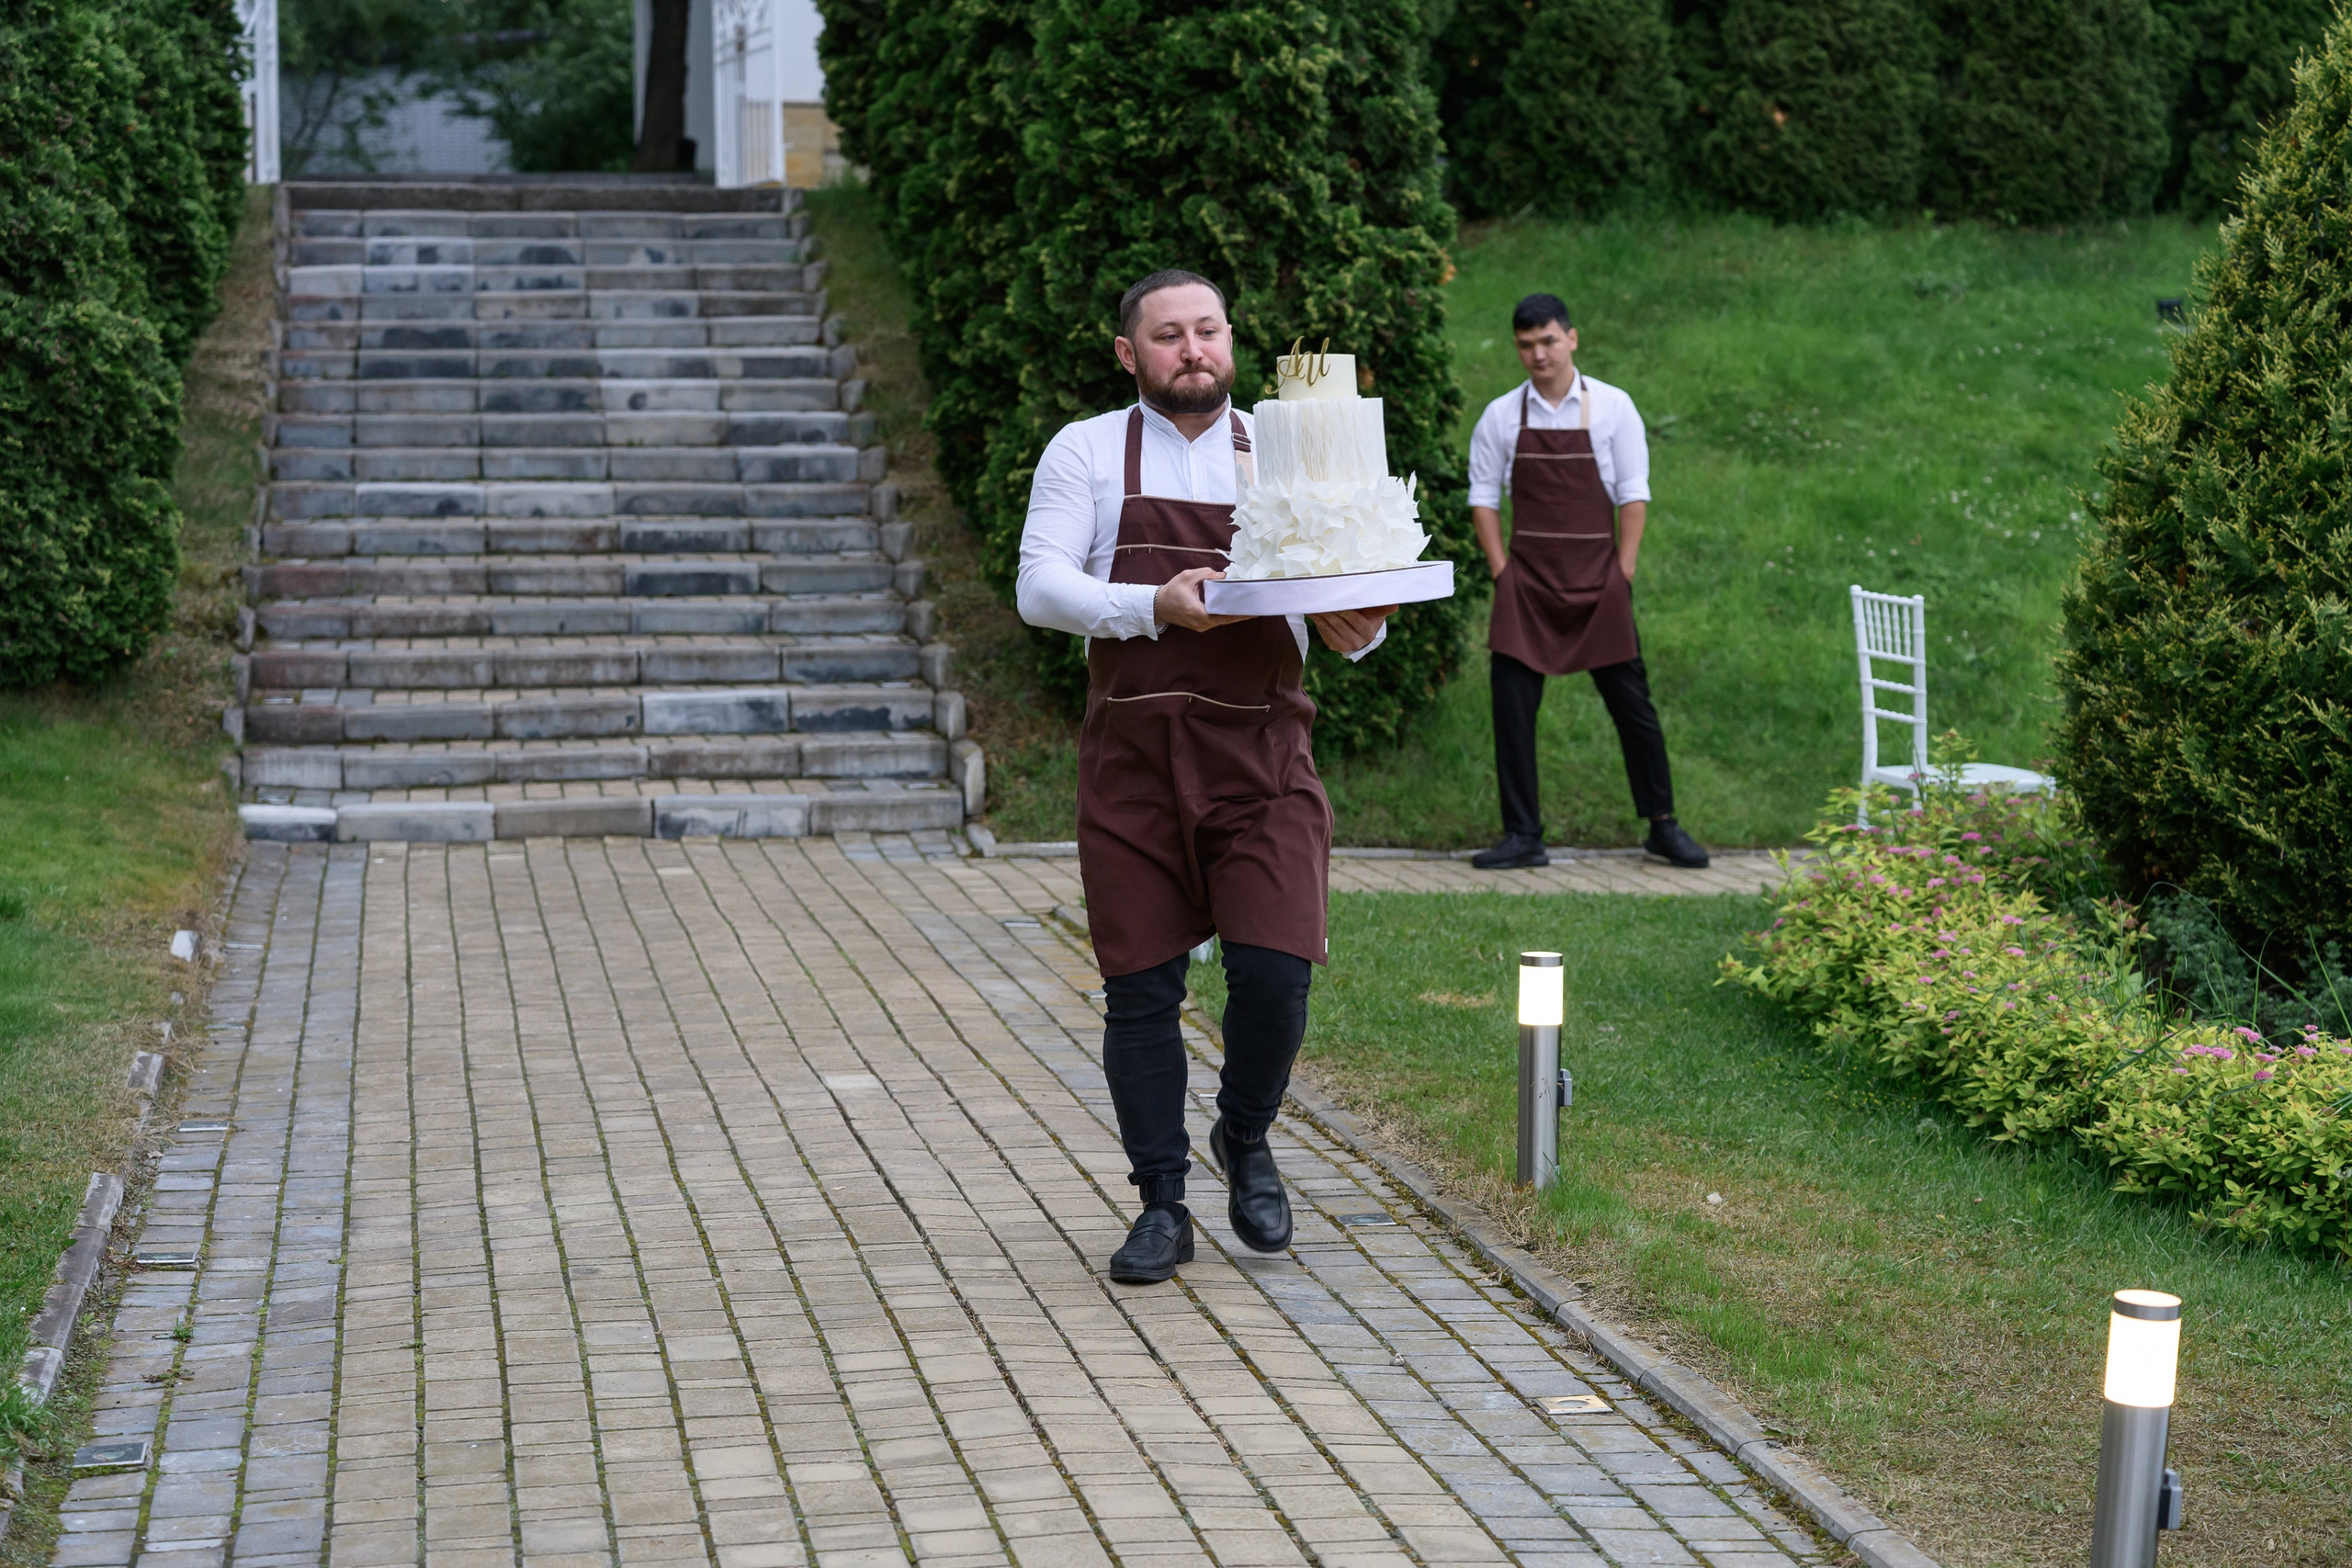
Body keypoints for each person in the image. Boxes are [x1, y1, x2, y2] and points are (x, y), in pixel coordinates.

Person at [1017, 270, 1396, 1283]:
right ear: (1128, 354)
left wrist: (1357, 629)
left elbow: (1348, 584)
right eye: (1169, 335)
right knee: (1139, 990)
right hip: (1134, 764)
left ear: (1231, 342)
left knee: (1274, 972)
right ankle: (1161, 1204)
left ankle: (1245, 1132)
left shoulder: (1289, 451)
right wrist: (1155, 605)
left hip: (1261, 754)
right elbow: (1041, 586)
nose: (1193, 349)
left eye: (1209, 331)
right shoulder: (1087, 451)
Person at [1467, 293, 1707, 872]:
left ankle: (1663, 826)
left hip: (1600, 583)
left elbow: (1633, 493)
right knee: (1512, 710)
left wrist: (1622, 570)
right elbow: (1483, 498)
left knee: (1634, 707)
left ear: (1572, 338)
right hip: (1527, 587)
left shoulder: (1614, 408)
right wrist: (1503, 571)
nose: (1538, 355)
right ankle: (1523, 835)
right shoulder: (1501, 416)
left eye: (1548, 341)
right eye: (1526, 346)